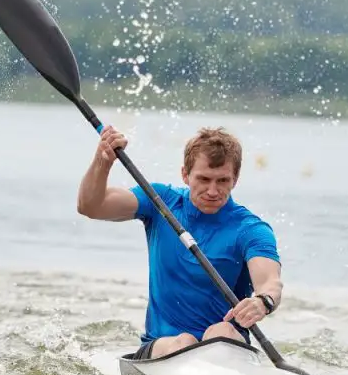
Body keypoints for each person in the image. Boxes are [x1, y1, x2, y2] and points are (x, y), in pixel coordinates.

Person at [76, 125, 283, 360]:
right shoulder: (161, 202)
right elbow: (91, 206)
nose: (213, 191)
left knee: (221, 331)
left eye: (223, 181)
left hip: (226, 346)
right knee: (184, 341)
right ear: (185, 175)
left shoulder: (251, 229)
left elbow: (270, 283)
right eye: (203, 179)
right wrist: (103, 162)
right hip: (163, 347)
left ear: (235, 179)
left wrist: (262, 301)